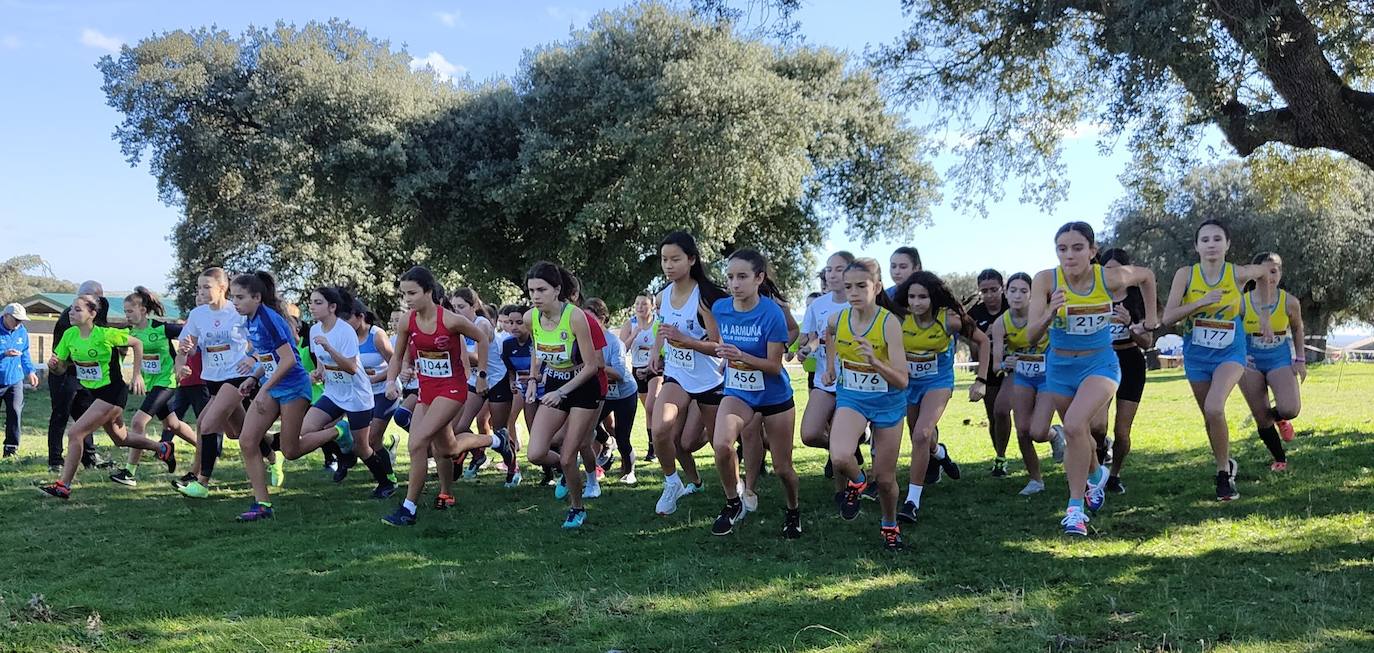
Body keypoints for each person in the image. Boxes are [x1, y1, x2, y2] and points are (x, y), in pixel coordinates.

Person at [1027, 222, 1158, 536]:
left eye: (1077, 248)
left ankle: (1075, 510)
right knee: (1078, 434)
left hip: (1100, 364)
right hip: (1059, 368)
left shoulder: (1108, 278)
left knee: (1073, 425)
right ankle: (1097, 473)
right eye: (1062, 249)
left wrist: (1150, 319)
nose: (1069, 255)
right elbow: (1031, 335)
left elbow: (1147, 276)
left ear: (1092, 251)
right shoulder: (1046, 280)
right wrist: (1049, 312)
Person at [381, 266, 514, 527]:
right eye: (404, 294)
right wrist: (391, 380)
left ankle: (408, 509)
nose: (407, 299)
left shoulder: (450, 320)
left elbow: (483, 339)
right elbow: (397, 356)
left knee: (417, 443)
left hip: (453, 390)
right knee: (448, 448)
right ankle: (493, 443)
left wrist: (483, 375)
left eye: (412, 293)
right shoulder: (408, 320)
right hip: (427, 390)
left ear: (428, 291)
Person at [1162, 219, 1267, 501]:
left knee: (1214, 406)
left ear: (1227, 245)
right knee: (1209, 416)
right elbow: (1168, 317)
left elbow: (1266, 271)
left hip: (1230, 353)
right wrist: (1200, 302)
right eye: (1205, 240)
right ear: (1196, 246)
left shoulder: (1237, 274)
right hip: (1196, 355)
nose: (1211, 245)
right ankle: (1226, 462)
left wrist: (1264, 316)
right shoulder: (1186, 275)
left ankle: (1223, 475)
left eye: (1217, 239)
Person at [706, 249, 802, 537]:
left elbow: (773, 367)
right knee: (721, 445)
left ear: (759, 278)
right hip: (738, 391)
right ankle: (733, 502)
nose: (735, 284)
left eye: (742, 277)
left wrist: (741, 355)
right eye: (731, 277)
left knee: (783, 468)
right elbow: (722, 344)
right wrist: (727, 359)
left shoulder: (771, 313)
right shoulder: (721, 309)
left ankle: (793, 510)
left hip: (774, 396)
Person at [40, 294, 174, 498]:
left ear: (92, 313)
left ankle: (64, 485)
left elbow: (137, 343)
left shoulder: (105, 334)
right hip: (95, 394)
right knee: (121, 439)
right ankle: (162, 448)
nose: (71, 313)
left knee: (75, 433)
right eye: (71, 309)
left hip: (113, 393)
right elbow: (61, 369)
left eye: (78, 309)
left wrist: (136, 375)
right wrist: (55, 366)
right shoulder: (69, 335)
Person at [824, 258, 910, 549]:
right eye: (848, 287)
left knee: (886, 480)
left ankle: (889, 524)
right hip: (853, 397)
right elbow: (829, 334)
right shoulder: (838, 319)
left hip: (888, 402)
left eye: (862, 285)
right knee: (839, 457)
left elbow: (902, 380)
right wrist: (832, 365)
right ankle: (859, 481)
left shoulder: (889, 324)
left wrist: (875, 362)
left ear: (877, 287)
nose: (854, 292)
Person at [894, 271, 991, 524]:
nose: (916, 303)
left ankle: (912, 501)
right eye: (912, 296)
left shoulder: (949, 320)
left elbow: (984, 341)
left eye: (923, 297)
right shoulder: (900, 319)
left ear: (933, 297)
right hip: (910, 384)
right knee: (919, 433)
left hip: (938, 382)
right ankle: (940, 454)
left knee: (922, 434)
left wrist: (981, 380)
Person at [650, 232, 728, 516]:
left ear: (692, 260)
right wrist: (655, 354)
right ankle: (672, 483)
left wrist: (687, 341)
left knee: (720, 446)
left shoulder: (705, 297)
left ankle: (735, 492)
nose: (668, 265)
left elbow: (719, 347)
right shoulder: (662, 296)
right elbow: (663, 327)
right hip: (677, 375)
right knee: (659, 430)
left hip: (710, 380)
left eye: (675, 259)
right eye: (664, 260)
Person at [522, 262, 606, 528]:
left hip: (583, 387)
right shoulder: (530, 317)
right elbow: (538, 346)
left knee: (570, 454)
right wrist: (534, 377)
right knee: (535, 453)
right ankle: (568, 474)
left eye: (542, 290)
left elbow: (593, 366)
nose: (535, 296)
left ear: (557, 290)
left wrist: (562, 391)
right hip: (556, 384)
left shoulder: (576, 317)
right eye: (531, 290)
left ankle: (577, 508)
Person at [229, 272, 317, 522]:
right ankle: (262, 504)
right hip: (271, 384)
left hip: (293, 388)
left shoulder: (269, 319)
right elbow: (269, 358)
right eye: (232, 297)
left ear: (257, 297)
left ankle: (338, 431)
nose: (235, 302)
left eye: (240, 297)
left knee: (290, 450)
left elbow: (289, 360)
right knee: (247, 441)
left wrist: (264, 389)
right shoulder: (250, 320)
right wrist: (254, 378)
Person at [301, 287, 397, 499]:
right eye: (311, 302)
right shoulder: (314, 330)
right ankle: (342, 440)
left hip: (357, 396)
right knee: (307, 430)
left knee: (363, 447)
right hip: (334, 392)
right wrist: (318, 372)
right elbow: (322, 364)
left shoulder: (345, 331)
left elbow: (352, 368)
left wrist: (330, 349)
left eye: (318, 302)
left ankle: (385, 483)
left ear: (332, 307)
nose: (312, 307)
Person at [174, 268, 256, 499]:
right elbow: (184, 348)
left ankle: (202, 483)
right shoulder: (198, 315)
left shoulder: (238, 311)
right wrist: (181, 364)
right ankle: (271, 454)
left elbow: (261, 339)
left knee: (206, 423)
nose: (201, 291)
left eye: (206, 287)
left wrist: (252, 358)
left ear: (223, 288)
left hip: (237, 376)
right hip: (213, 380)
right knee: (238, 432)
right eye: (199, 287)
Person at [109, 288, 200, 487]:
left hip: (167, 381)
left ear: (142, 309)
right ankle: (205, 448)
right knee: (173, 424)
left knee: (138, 422)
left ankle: (129, 472)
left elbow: (189, 333)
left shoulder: (161, 328)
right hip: (151, 384)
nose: (127, 315)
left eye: (130, 311)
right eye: (125, 312)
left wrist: (190, 348)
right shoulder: (128, 332)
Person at [983, 272, 1064, 497]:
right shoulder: (1001, 323)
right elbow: (996, 364)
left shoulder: (1043, 316)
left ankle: (1055, 434)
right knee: (1022, 431)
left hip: (1048, 377)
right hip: (1022, 378)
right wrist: (1005, 363)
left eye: (1023, 291)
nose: (1017, 296)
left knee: (1037, 431)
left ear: (1031, 295)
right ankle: (1035, 480)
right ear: (1006, 294)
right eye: (1013, 291)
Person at [1239, 252, 1305, 471]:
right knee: (1261, 415)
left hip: (1279, 358)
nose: (1271, 275)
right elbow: (1231, 329)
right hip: (1250, 361)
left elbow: (1297, 328)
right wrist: (1238, 354)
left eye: (1275, 270)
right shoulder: (1242, 302)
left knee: (1290, 408)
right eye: (1265, 270)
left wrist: (1301, 359)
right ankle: (1280, 459)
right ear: (1255, 274)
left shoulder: (1290, 302)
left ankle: (1281, 419)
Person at [798, 251, 857, 484]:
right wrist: (807, 350)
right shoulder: (819, 305)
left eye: (838, 269)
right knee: (810, 434)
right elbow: (815, 338)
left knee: (837, 436)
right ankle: (848, 454)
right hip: (825, 380)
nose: (832, 275)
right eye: (829, 269)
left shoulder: (859, 304)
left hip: (853, 382)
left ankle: (843, 493)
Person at [1097, 248, 1153, 493]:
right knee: (1097, 427)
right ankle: (1097, 466)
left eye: (1116, 270)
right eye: (1106, 269)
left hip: (1130, 362)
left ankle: (1115, 474)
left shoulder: (1136, 299)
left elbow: (1147, 343)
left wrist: (1130, 323)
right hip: (1100, 362)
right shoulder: (1094, 298)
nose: (1111, 275)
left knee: (1122, 431)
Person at [46, 280, 111, 471]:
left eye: (100, 297)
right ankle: (55, 461)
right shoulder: (70, 316)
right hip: (64, 372)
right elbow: (66, 353)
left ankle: (89, 458)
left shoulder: (97, 311)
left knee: (85, 415)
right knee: (61, 414)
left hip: (84, 374)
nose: (99, 301)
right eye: (95, 297)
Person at [586, 298, 639, 485]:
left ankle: (629, 471)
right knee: (588, 426)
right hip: (603, 394)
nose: (587, 323)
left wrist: (597, 367)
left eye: (591, 318)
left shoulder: (614, 343)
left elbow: (620, 374)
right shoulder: (582, 339)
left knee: (623, 437)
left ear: (602, 319)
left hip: (625, 393)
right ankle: (606, 442)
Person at [968, 269, 1011, 476]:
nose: (990, 295)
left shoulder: (1012, 304)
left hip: (1015, 368)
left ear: (1002, 288)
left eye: (994, 289)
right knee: (994, 415)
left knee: (1006, 412)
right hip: (989, 370)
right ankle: (1000, 456)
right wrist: (987, 337)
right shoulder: (975, 314)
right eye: (985, 291)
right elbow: (974, 349)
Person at [621, 293, 660, 467]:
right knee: (649, 410)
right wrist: (633, 334)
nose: (639, 307)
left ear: (652, 306)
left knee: (652, 405)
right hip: (637, 369)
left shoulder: (658, 323)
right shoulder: (630, 324)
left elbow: (664, 347)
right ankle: (653, 446)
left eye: (644, 304)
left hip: (656, 368)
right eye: (637, 304)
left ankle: (655, 447)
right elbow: (621, 349)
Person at [1, 303, 39, 459]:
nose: (18, 323)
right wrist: (4, 354)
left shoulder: (22, 331)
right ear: (5, 316)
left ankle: (11, 449)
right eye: (16, 319)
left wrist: (30, 371)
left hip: (15, 379)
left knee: (15, 412)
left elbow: (24, 353)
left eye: (21, 320)